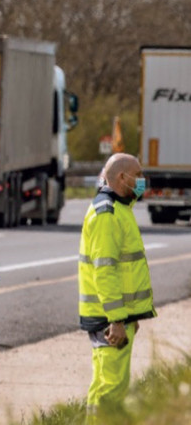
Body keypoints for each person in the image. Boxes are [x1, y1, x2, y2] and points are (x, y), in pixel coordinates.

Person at [78, 153, 156, 421]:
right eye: (139, 173)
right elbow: (105, 271)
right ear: (122, 177)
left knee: (103, 385)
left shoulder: (119, 208)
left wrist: (130, 315)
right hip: (108, 318)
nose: (142, 180)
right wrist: (118, 320)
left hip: (113, 316)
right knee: (112, 388)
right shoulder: (107, 213)